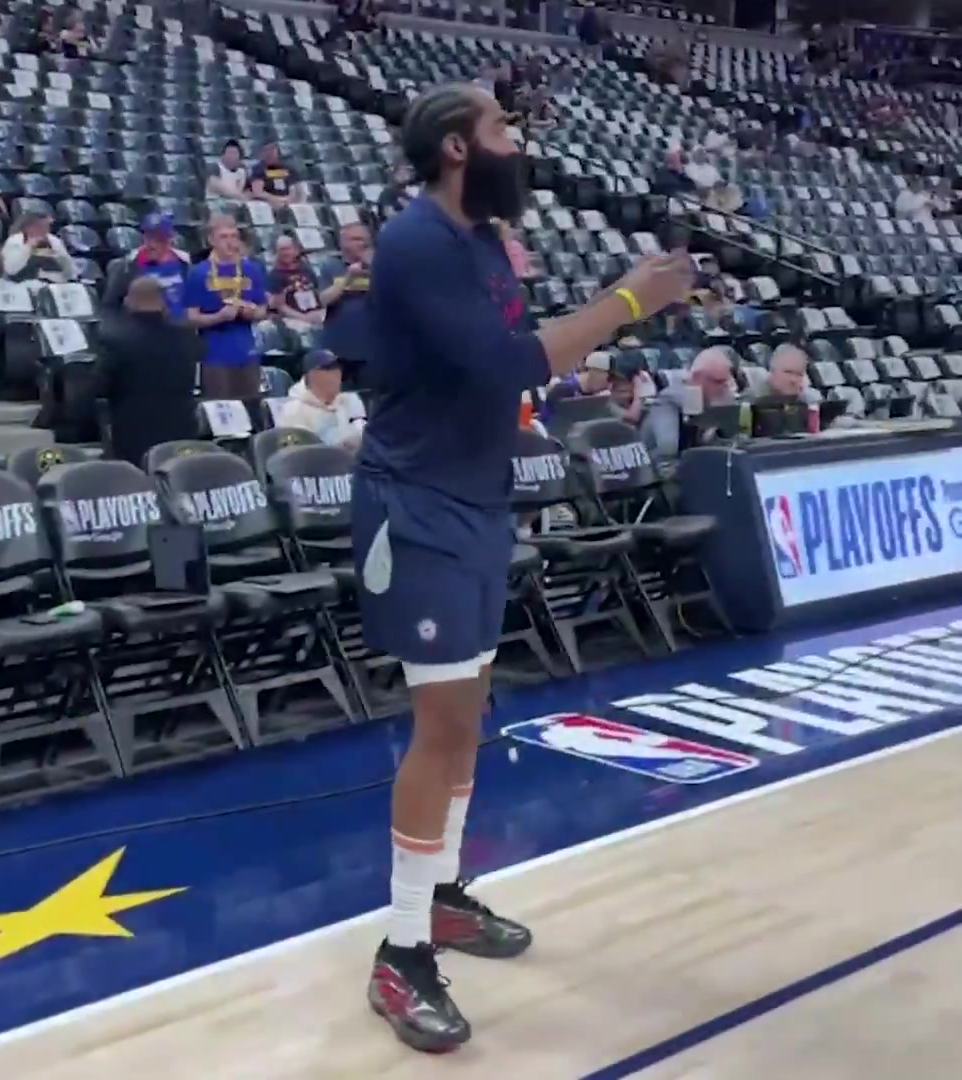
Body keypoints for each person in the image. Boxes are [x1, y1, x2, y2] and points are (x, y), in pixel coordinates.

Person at [353, 83, 692, 1052]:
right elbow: (513, 366)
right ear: (459, 146)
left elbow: (506, 352)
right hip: (418, 506)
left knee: (469, 714)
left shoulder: (479, 242)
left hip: (476, 499)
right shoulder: (418, 241)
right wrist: (628, 300)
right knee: (442, 725)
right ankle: (401, 951)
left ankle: (442, 894)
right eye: (503, 125)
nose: (519, 138)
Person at [94, 278, 204, 467]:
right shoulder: (187, 338)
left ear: (129, 301)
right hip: (182, 431)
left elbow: (100, 386)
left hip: (134, 436)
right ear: (163, 302)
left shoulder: (115, 340)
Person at [184, 215, 267, 409]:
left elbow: (262, 309)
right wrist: (218, 317)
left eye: (233, 236)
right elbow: (191, 318)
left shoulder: (251, 269)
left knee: (251, 410)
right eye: (223, 237)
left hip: (247, 352)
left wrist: (252, 313)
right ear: (211, 240)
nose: (230, 241)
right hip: (215, 355)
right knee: (222, 410)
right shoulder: (198, 273)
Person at [642, 346, 734, 461]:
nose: (724, 387)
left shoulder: (717, 396)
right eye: (717, 382)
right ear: (696, 377)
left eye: (726, 382)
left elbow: (729, 441)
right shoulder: (668, 400)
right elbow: (667, 452)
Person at [317, 222, 373, 387]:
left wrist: (374, 267)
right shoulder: (330, 266)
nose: (362, 244)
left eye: (364, 240)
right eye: (356, 239)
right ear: (343, 242)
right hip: (339, 345)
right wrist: (348, 278)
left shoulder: (380, 265)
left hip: (371, 346)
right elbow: (324, 299)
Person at [278, 349, 366, 448]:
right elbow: (294, 451)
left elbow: (362, 431)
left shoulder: (349, 399)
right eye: (328, 369)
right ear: (311, 376)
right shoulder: (292, 410)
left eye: (338, 369)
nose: (336, 374)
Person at [1, 211, 77, 283]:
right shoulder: (15, 241)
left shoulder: (54, 241)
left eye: (46, 226)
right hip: (21, 284)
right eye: (39, 227)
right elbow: (11, 270)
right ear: (28, 227)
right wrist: (28, 247)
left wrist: (61, 257)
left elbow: (70, 272)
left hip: (53, 283)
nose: (44, 230)